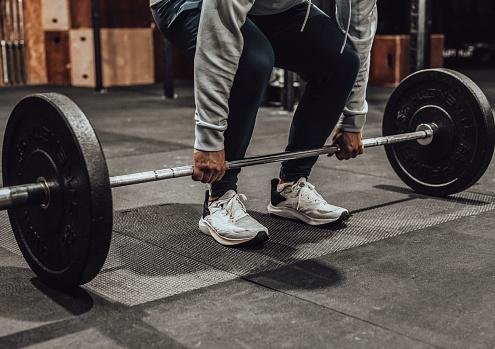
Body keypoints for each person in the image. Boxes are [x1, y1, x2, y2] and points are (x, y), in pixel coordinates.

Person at [151, 0, 377, 246]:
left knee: (342, 60)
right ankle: (219, 197)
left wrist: (353, 119)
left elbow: (357, 34)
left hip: (272, 7)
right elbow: (219, 37)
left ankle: (291, 185)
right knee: (253, 60)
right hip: (187, 3)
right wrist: (209, 138)